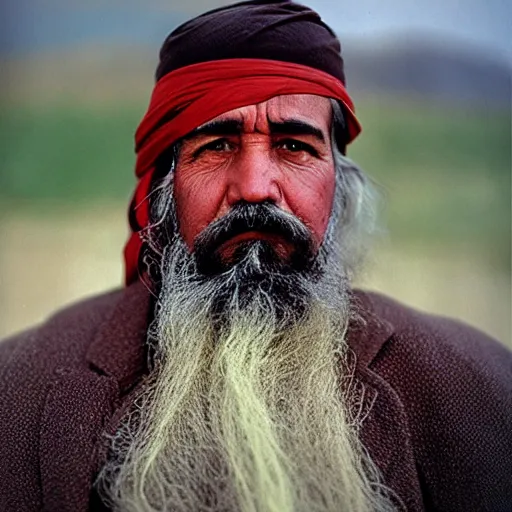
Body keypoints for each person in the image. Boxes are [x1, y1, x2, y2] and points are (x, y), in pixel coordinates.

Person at [1, 1, 511, 511]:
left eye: (293, 146)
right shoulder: (20, 390)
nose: (253, 188)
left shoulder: (478, 389)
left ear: (340, 188)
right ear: (164, 188)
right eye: (217, 146)